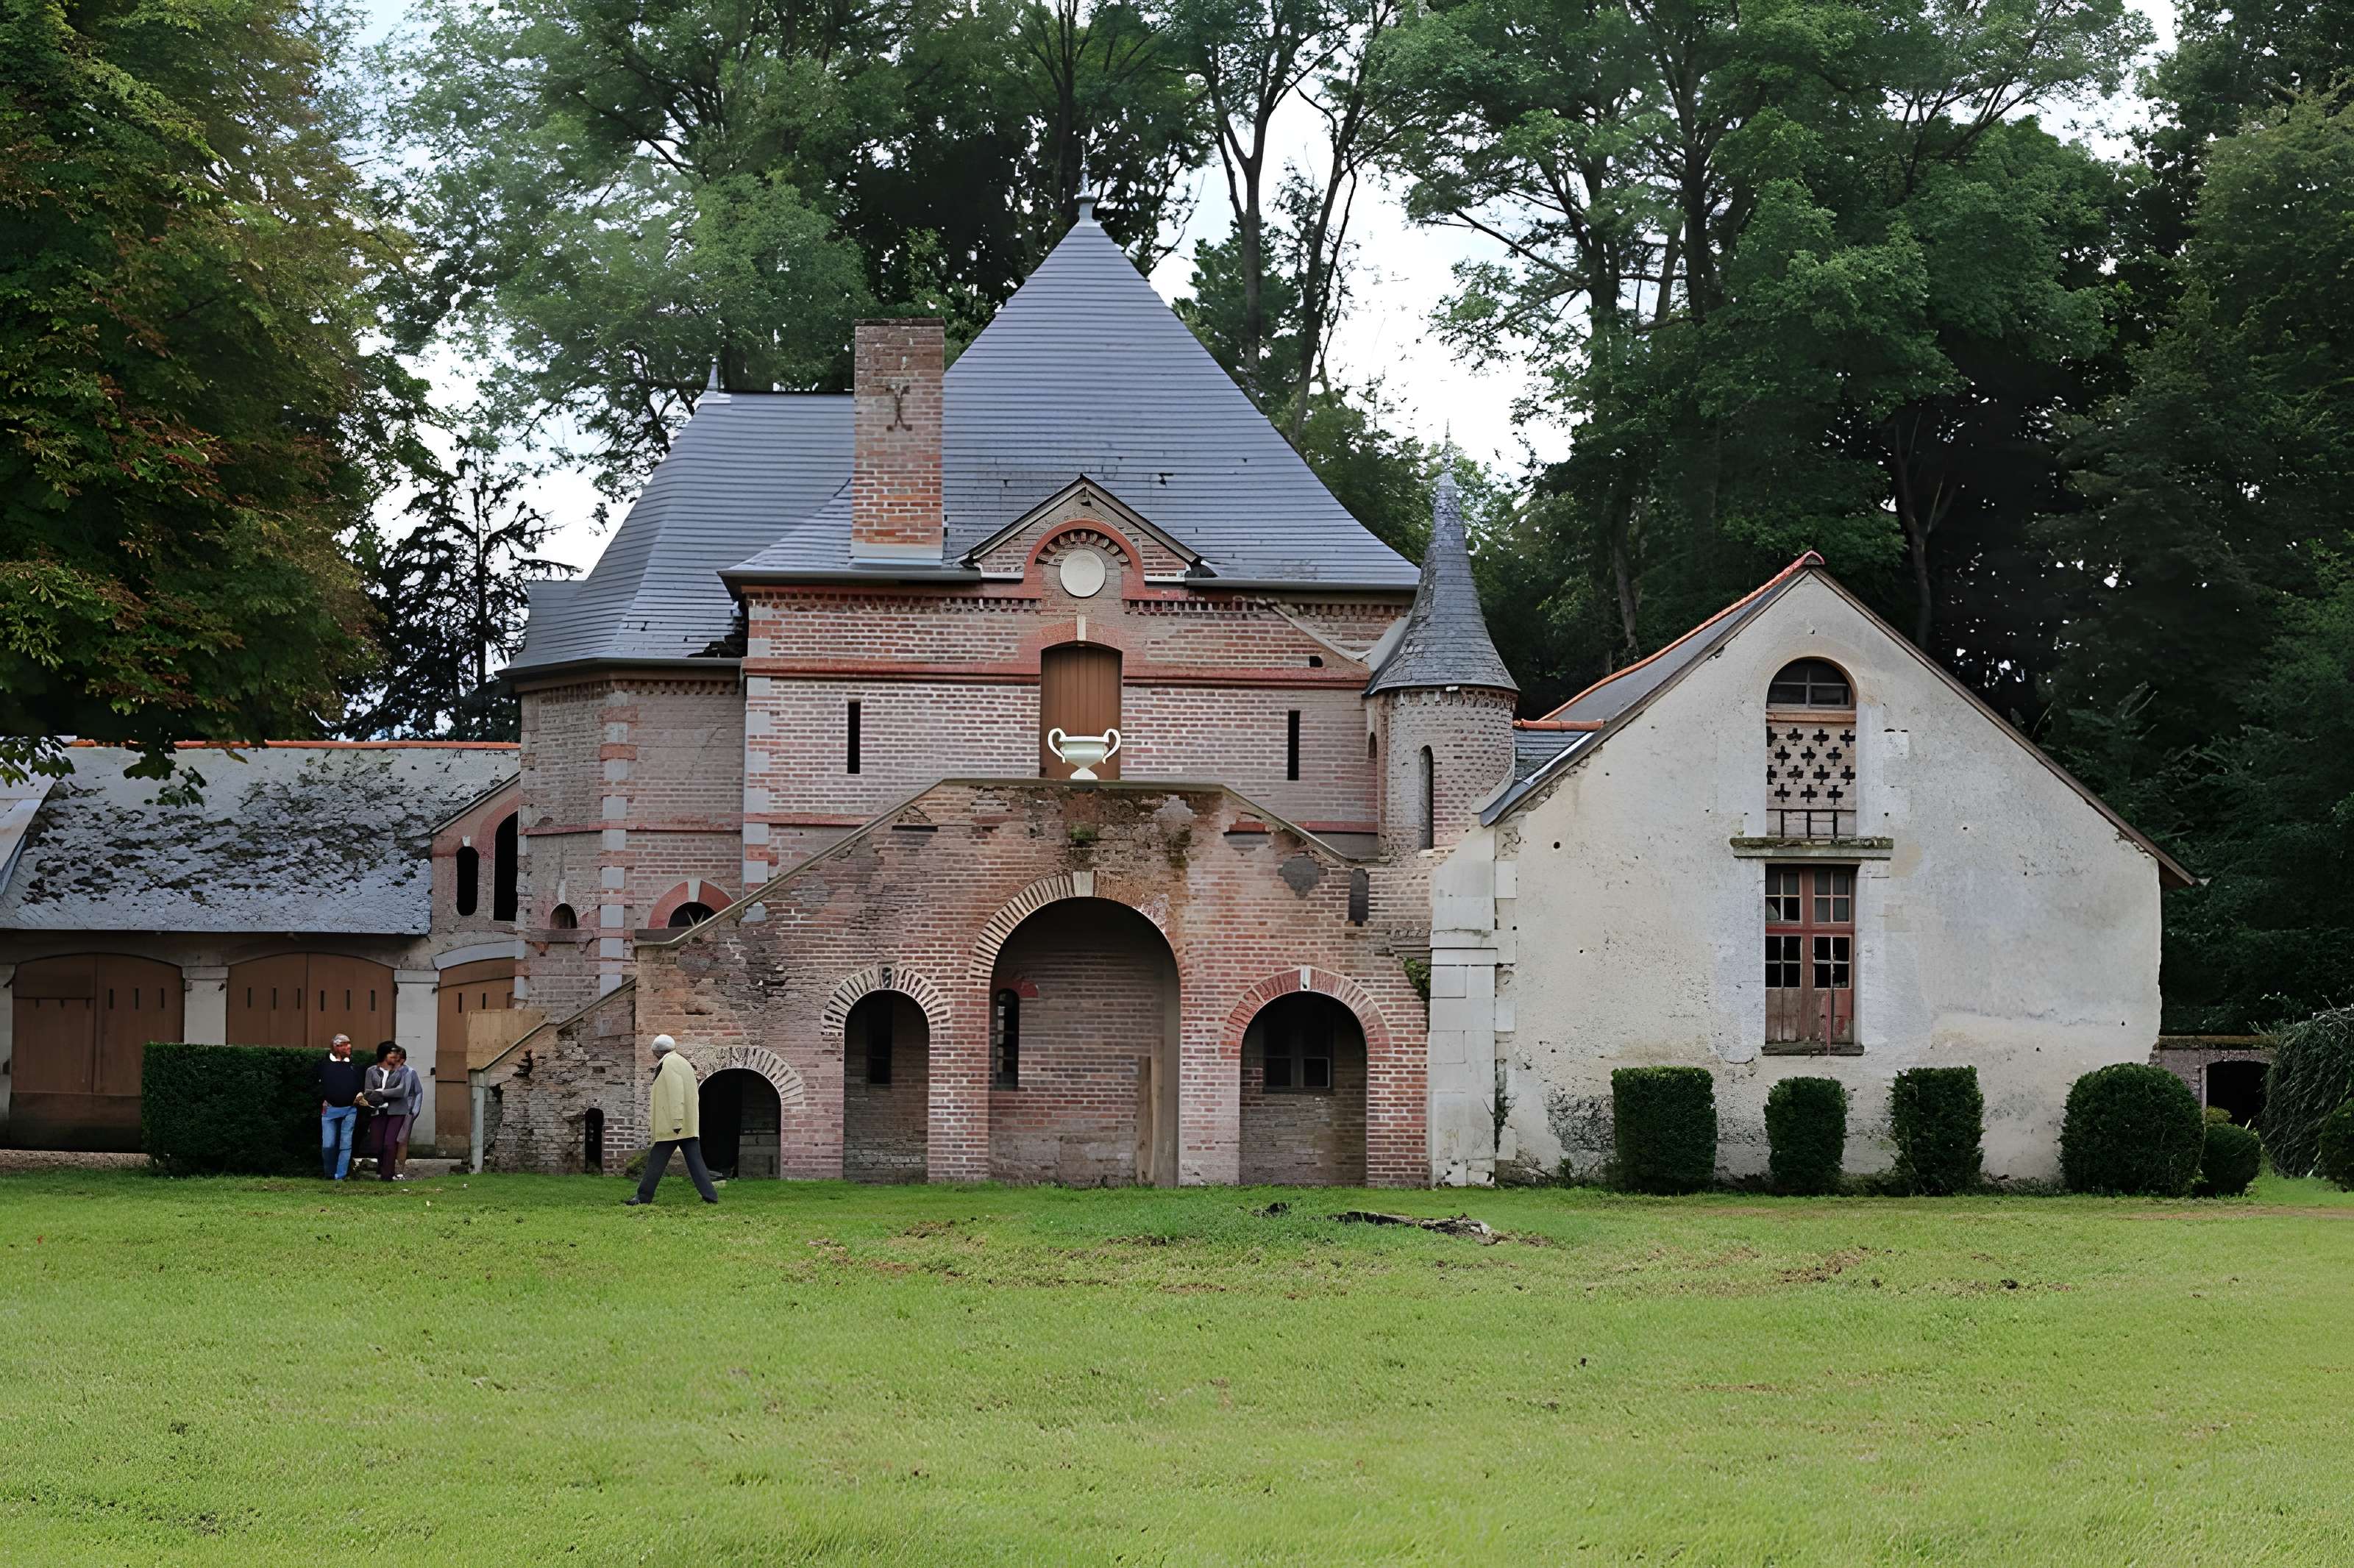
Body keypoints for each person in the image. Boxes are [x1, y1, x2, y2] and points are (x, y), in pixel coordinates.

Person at [627, 1036, 718, 1205]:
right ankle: (710, 1196)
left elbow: (676, 1093)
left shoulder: (669, 1064)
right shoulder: (683, 1062)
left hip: (673, 1126)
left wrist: (676, 1122)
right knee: (695, 1162)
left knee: (656, 1161)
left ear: (657, 1052)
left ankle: (643, 1197)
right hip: (686, 1124)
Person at [363, 1045, 424, 1182]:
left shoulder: (408, 1072)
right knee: (378, 1144)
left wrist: (414, 1111)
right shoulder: (373, 1070)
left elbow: (410, 1092)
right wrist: (376, 1095)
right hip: (379, 1110)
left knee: (396, 1142)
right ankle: (383, 1168)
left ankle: (394, 1173)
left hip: (402, 1111)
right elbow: (369, 1093)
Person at [315, 1034, 364, 1180]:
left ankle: (340, 1175)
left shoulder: (355, 1066)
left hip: (350, 1109)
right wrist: (321, 1099)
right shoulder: (324, 1065)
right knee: (328, 1145)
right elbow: (315, 1085)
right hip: (329, 1110)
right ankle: (329, 1174)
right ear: (337, 1047)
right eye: (346, 1044)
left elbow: (362, 1085)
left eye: (349, 1043)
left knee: (346, 1144)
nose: (349, 1047)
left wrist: (361, 1093)